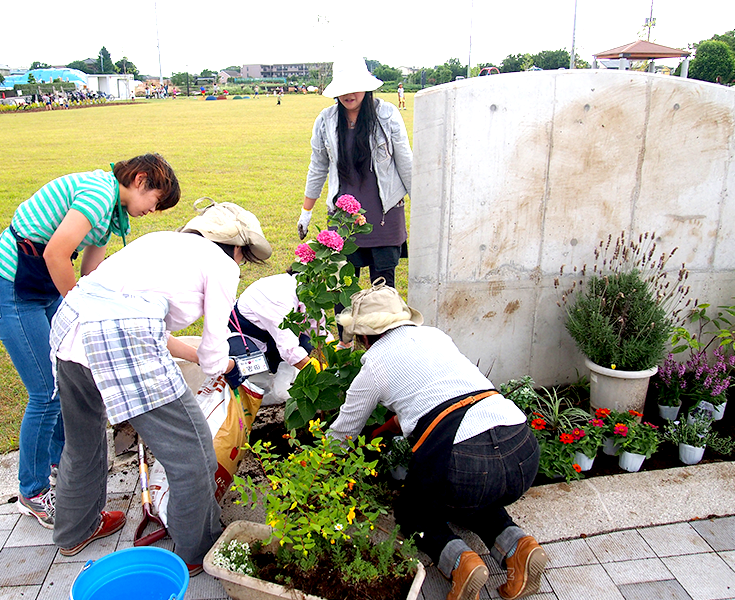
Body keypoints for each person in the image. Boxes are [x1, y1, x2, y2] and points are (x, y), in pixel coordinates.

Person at [49, 201, 272, 570]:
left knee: (83, 442)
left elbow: (137, 316)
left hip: (71, 330)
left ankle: (75, 532)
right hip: (120, 345)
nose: (241, 263)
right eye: (244, 257)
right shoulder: (221, 265)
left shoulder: (159, 241)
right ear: (236, 247)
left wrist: (195, 354)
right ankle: (198, 551)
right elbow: (216, 351)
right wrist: (228, 365)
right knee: (194, 452)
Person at [0, 154, 180, 530]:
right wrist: (79, 306)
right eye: (155, 201)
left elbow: (90, 273)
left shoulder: (111, 212)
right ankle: (34, 492)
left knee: (64, 379)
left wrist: (112, 302)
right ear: (140, 181)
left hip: (39, 289)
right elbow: (56, 253)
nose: (152, 211)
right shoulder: (97, 194)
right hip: (13, 289)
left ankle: (65, 468)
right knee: (46, 393)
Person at [330, 280, 548, 600]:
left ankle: (460, 564)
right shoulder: (434, 336)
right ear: (401, 319)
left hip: (464, 460)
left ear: (363, 336)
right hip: (521, 448)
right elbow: (445, 395)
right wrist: (390, 427)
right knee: (472, 493)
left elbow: (342, 434)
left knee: (413, 512)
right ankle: (518, 547)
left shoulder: (374, 364)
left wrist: (320, 464)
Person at [297, 55, 413, 292]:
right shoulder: (326, 120)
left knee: (383, 293)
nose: (348, 94)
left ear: (366, 86)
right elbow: (318, 167)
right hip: (343, 221)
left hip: (384, 216)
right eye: (342, 89)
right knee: (341, 291)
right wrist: (305, 213)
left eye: (354, 87)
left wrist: (423, 213)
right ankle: (346, 332)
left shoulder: (387, 115)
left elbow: (406, 164)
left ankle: (381, 331)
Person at [225, 269, 328, 389]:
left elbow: (316, 328)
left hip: (269, 335)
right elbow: (289, 348)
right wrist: (318, 373)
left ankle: (272, 381)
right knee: (249, 363)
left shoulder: (306, 290)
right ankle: (241, 393)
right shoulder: (279, 298)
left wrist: (331, 350)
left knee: (307, 344)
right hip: (241, 334)